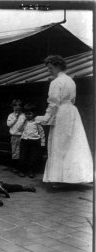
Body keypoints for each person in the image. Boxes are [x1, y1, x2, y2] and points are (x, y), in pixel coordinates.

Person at [35, 55, 93, 184]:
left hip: (61, 113)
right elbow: (72, 100)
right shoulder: (71, 81)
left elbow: (54, 103)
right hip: (72, 112)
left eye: (50, 68)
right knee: (73, 143)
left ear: (57, 66)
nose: (49, 70)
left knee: (58, 144)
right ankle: (72, 177)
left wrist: (46, 117)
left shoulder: (56, 82)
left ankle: (57, 178)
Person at [18, 103, 46, 178]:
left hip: (34, 142)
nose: (27, 115)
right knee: (23, 157)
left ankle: (31, 171)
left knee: (33, 158)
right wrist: (22, 122)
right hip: (24, 141)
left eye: (29, 113)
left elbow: (42, 133)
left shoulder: (37, 122)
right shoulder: (25, 122)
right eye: (26, 114)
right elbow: (19, 129)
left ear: (34, 113)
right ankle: (22, 170)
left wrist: (42, 143)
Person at [6, 99, 26, 173]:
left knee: (21, 152)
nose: (17, 107)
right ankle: (15, 166)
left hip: (22, 136)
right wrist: (15, 118)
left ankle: (21, 168)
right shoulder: (11, 115)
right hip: (14, 137)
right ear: (12, 107)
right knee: (15, 152)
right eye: (15, 106)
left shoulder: (23, 115)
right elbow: (8, 124)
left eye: (19, 106)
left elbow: (25, 125)